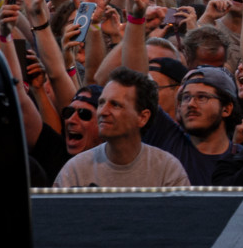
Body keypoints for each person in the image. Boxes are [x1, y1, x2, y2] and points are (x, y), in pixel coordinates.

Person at [53, 68, 190, 189]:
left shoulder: (167, 170)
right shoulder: (75, 170)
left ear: (142, 117)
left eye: (115, 105)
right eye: (101, 103)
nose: (103, 112)